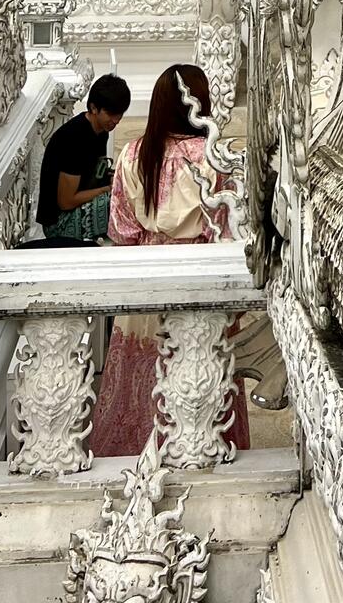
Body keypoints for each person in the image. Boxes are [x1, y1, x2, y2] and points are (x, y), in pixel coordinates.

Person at [89, 65, 250, 457]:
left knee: (141, 376)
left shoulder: (133, 155)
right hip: (203, 279)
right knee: (207, 377)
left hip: (149, 274)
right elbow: (229, 231)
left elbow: (122, 230)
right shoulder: (216, 159)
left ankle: (133, 454)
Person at [36, 75, 132, 242]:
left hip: (79, 204)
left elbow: (96, 172)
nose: (116, 120)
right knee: (122, 200)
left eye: (120, 114)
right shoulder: (74, 139)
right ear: (94, 108)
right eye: (111, 114)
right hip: (60, 224)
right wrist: (107, 190)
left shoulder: (101, 131)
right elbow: (66, 201)